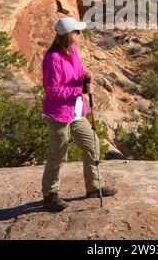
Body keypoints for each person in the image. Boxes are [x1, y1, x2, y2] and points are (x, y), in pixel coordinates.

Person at [41, 17, 117, 212]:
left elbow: (78, 73)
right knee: (59, 155)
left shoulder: (72, 51)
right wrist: (77, 90)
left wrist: (85, 77)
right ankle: (50, 195)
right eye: (78, 32)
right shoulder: (53, 58)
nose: (81, 35)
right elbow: (52, 90)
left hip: (76, 111)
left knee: (92, 144)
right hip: (59, 114)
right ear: (69, 35)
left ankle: (94, 186)